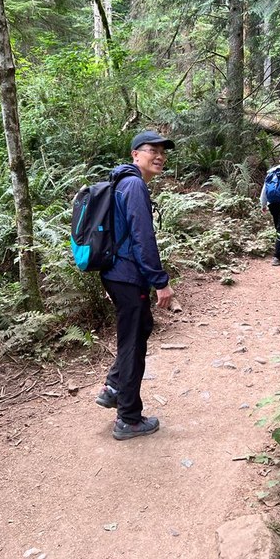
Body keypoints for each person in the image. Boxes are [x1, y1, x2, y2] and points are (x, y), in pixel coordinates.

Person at [95, 130, 175, 440]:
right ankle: (128, 418)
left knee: (139, 329)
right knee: (133, 342)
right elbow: (143, 238)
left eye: (162, 152)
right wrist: (160, 281)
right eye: (152, 150)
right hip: (127, 274)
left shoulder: (120, 182)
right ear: (135, 154)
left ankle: (114, 387)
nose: (159, 156)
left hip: (118, 273)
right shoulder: (133, 185)